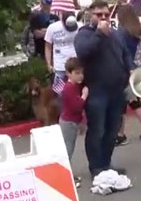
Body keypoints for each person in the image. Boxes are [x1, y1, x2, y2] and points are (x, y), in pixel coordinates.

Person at [74, 0, 133, 177]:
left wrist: (131, 69)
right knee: (97, 130)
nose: (103, 17)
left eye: (106, 14)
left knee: (112, 129)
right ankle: (96, 167)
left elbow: (125, 54)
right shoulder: (84, 34)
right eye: (99, 14)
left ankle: (106, 164)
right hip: (97, 90)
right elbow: (83, 52)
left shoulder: (114, 35)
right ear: (90, 16)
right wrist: (99, 33)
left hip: (117, 90)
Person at [114, 4, 141, 145]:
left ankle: (121, 135)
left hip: (128, 69)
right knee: (133, 100)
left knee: (122, 102)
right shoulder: (139, 31)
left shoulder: (121, 32)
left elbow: (121, 53)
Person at [59, 57, 87, 188]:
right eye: (76, 73)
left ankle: (68, 173)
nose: (80, 76)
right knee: (67, 150)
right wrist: (84, 96)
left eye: (81, 72)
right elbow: (76, 107)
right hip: (68, 123)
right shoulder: (69, 88)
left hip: (73, 121)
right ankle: (65, 177)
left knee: (70, 148)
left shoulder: (74, 86)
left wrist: (82, 122)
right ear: (68, 73)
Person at [45, 11, 79, 97]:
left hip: (75, 64)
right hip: (59, 65)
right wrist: (49, 64)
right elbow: (48, 47)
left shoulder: (79, 26)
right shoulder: (52, 28)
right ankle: (62, 108)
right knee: (59, 92)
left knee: (75, 90)